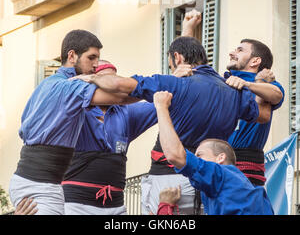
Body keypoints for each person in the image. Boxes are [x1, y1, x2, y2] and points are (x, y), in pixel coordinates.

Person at [74, 35, 271, 215]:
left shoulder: (172, 83)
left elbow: (119, 85)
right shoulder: (232, 91)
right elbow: (263, 115)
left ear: (176, 58)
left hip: (169, 177)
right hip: (207, 181)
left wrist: (92, 77)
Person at [8, 30, 136, 216]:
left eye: (97, 58)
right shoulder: (69, 87)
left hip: (43, 184)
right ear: (72, 56)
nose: (95, 64)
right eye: (91, 57)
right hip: (38, 186)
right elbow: (121, 97)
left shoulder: (46, 85)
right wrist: (160, 86)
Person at [181, 9, 285, 187]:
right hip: (215, 159)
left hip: (247, 165)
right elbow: (190, 62)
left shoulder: (265, 83)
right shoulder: (222, 82)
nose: (231, 52)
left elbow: (277, 95)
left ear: (255, 61)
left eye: (240, 50)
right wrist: (188, 28)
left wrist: (248, 85)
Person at [153, 90, 274, 215]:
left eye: (200, 155)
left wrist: (161, 107)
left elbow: (175, 155)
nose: (197, 159)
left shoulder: (220, 174)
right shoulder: (235, 186)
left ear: (220, 158)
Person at [63, 60, 157, 215]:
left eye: (115, 79)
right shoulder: (77, 110)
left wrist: (178, 80)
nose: (112, 85)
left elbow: (162, 100)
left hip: (115, 206)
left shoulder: (126, 113)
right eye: (105, 79)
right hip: (77, 205)